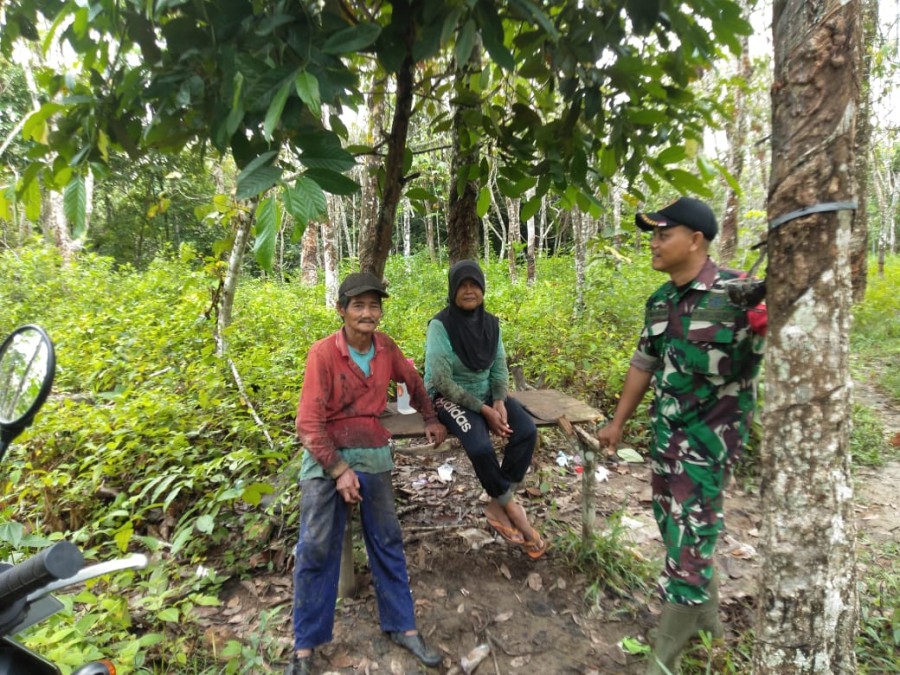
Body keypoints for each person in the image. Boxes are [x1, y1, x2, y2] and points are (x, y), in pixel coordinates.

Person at [595, 197, 765, 674]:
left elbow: (772, 344)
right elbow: (644, 362)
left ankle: (668, 649)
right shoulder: (661, 301)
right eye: (652, 234)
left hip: (711, 443)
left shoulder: (739, 294)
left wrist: (765, 324)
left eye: (663, 234)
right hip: (667, 435)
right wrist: (618, 421)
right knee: (673, 525)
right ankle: (706, 621)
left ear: (695, 240)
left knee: (693, 532)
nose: (654, 242)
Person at [286, 272, 448, 675]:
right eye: (358, 305)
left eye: (374, 305)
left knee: (387, 538)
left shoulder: (386, 347)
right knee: (316, 545)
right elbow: (307, 425)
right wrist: (339, 469)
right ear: (341, 310)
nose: (367, 312)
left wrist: (430, 417)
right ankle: (304, 647)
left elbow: (413, 380)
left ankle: (403, 626)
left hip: (372, 448)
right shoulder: (323, 353)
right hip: (327, 453)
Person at [424, 259, 546, 559]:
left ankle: (496, 504)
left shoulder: (491, 324)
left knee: (526, 432)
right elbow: (441, 379)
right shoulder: (440, 326)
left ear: (482, 289)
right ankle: (513, 511)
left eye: (474, 285)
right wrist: (483, 409)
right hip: (450, 398)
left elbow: (499, 366)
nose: (469, 291)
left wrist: (500, 401)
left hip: (488, 395)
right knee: (479, 447)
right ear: (452, 290)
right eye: (462, 285)